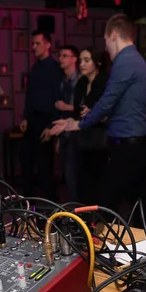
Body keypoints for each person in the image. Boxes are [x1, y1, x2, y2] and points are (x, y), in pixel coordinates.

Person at [51, 14, 146, 230]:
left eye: (106, 40)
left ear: (114, 34)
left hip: (128, 146)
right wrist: (77, 119)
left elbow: (106, 102)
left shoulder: (125, 60)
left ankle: (99, 254)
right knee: (137, 202)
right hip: (134, 143)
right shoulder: (133, 59)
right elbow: (116, 106)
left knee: (108, 203)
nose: (106, 47)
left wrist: (78, 124)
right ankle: (145, 254)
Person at [20, 31, 63, 201]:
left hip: (46, 119)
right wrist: (25, 117)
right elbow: (30, 95)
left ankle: (52, 208)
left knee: (44, 167)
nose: (33, 47)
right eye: (33, 44)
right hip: (33, 119)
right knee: (26, 162)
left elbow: (57, 98)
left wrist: (51, 125)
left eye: (37, 43)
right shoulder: (35, 67)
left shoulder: (54, 67)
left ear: (47, 45)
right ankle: (28, 206)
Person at [72, 47, 109, 206]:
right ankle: (84, 222)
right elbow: (76, 111)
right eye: (80, 61)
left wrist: (95, 113)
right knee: (81, 184)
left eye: (86, 60)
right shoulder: (81, 83)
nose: (82, 64)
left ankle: (99, 222)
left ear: (98, 62)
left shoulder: (105, 82)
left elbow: (111, 112)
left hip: (100, 140)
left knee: (99, 184)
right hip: (82, 138)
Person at [54, 45, 80, 202]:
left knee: (73, 174)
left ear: (73, 59)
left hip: (77, 132)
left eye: (64, 55)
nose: (60, 58)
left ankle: (80, 214)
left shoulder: (80, 80)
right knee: (68, 174)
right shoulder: (63, 80)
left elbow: (85, 108)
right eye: (60, 55)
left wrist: (66, 107)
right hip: (65, 132)